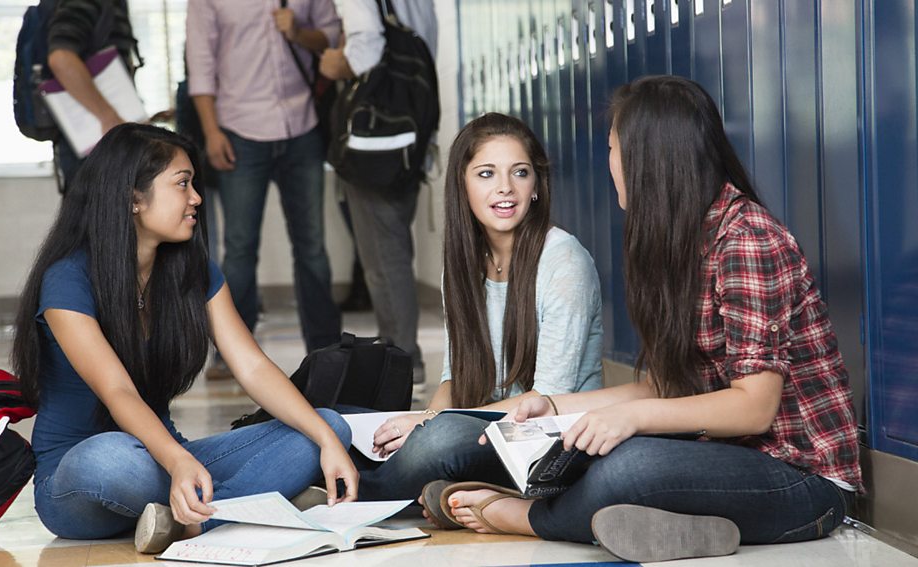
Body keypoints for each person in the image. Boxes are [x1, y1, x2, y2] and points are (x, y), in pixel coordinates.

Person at [433, 76, 862, 564]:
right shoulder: (677, 237)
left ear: (649, 157)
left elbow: (754, 409)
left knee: (628, 464)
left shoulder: (746, 239)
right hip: (732, 460)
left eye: (614, 148)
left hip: (802, 480)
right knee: (597, 451)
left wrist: (632, 420)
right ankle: (687, 530)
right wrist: (555, 405)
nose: (610, 163)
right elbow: (669, 385)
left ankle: (525, 518)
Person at [10, 124, 359, 555]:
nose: (196, 197)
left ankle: (194, 518)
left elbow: (250, 366)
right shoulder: (68, 279)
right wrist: (177, 462)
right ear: (133, 198)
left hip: (172, 458)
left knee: (326, 425)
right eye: (182, 184)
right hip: (79, 479)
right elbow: (117, 391)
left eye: (194, 184)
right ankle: (249, 508)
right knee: (113, 456)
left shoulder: (193, 271)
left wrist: (325, 439)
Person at [354, 112, 603, 501]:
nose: (505, 188)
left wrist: (431, 424)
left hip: (547, 440)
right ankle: (379, 477)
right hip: (483, 428)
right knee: (338, 421)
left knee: (439, 440)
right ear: (463, 185)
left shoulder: (564, 262)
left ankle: (356, 492)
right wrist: (423, 420)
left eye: (520, 173)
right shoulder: (463, 263)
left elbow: (548, 399)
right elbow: (454, 378)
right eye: (486, 174)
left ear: (536, 185)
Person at [186, 0, 342, 358]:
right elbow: (201, 64)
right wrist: (211, 132)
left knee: (312, 247)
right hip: (240, 128)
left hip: (302, 125)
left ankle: (326, 348)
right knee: (240, 248)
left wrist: (299, 33)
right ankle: (231, 350)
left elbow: (332, 35)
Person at [319, 0, 439, 385]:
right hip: (409, 135)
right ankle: (397, 352)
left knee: (384, 258)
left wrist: (333, 63)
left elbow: (366, 47)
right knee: (390, 252)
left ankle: (403, 358)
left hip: (375, 145)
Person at [47, 0, 141, 193]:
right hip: (95, 140)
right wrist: (108, 116)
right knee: (98, 218)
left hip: (103, 138)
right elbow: (61, 58)